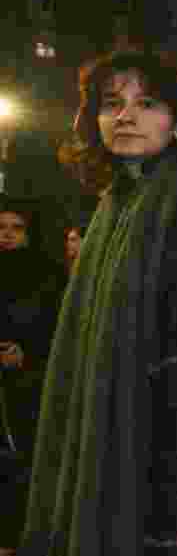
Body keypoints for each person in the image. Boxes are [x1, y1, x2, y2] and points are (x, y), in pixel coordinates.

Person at [18, 47, 177, 555]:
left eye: (147, 103)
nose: (125, 115)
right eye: (112, 103)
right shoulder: (112, 213)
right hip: (110, 454)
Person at [0, 198, 67, 555]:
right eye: (1, 227)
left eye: (17, 228)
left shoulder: (48, 276)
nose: (7, 235)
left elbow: (57, 330)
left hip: (31, 390)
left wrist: (26, 353)